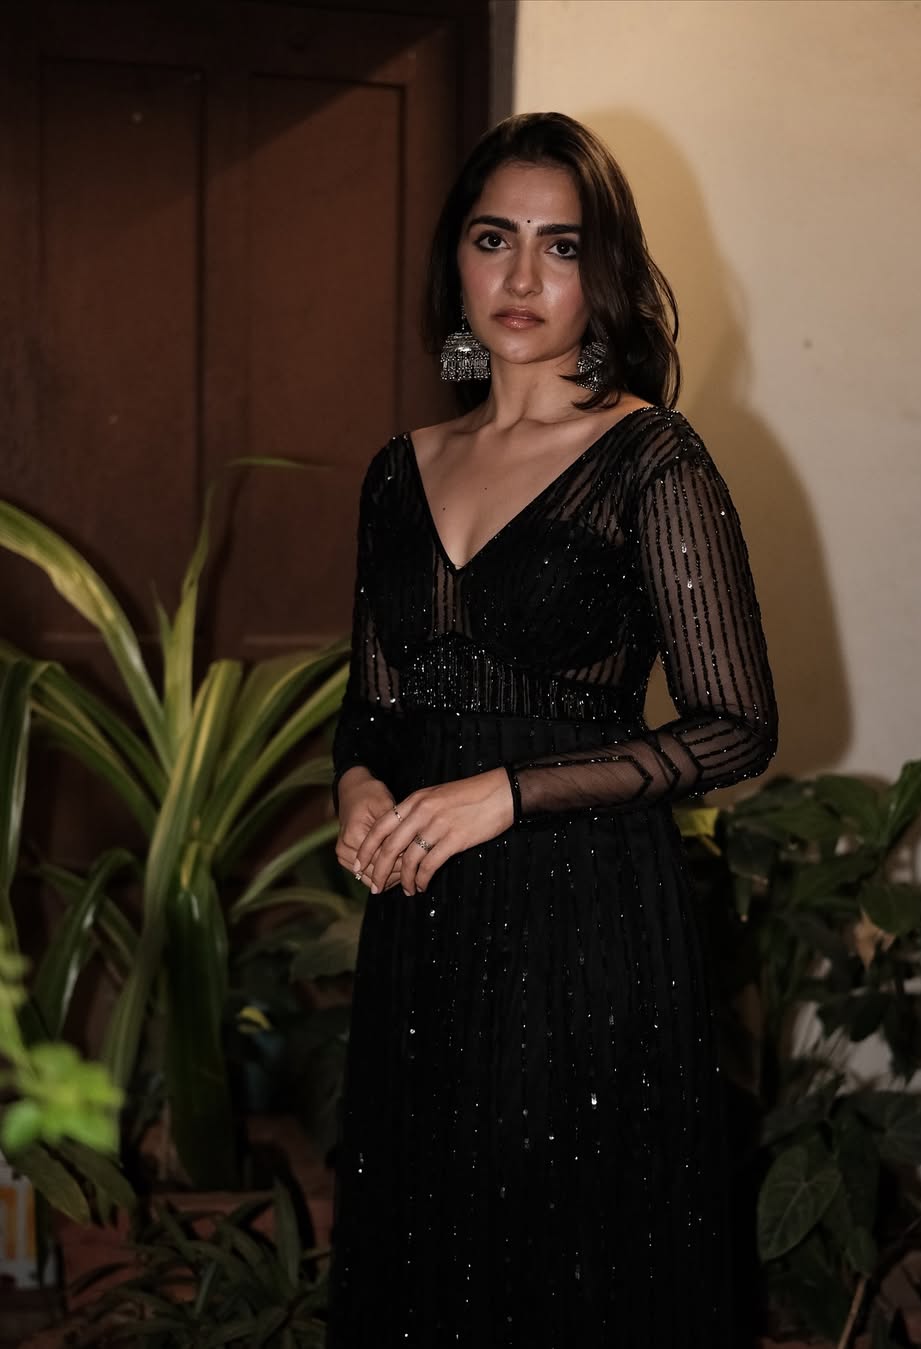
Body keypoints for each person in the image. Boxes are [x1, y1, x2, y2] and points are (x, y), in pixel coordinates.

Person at [327, 111, 777, 1348]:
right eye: (495, 239)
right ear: (457, 260)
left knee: (567, 1270)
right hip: (424, 928)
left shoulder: (651, 458)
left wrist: (509, 791)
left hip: (587, 925)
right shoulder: (399, 467)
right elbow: (372, 706)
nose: (522, 277)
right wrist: (359, 788)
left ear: (603, 272)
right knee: (427, 1265)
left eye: (561, 246)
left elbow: (737, 725)